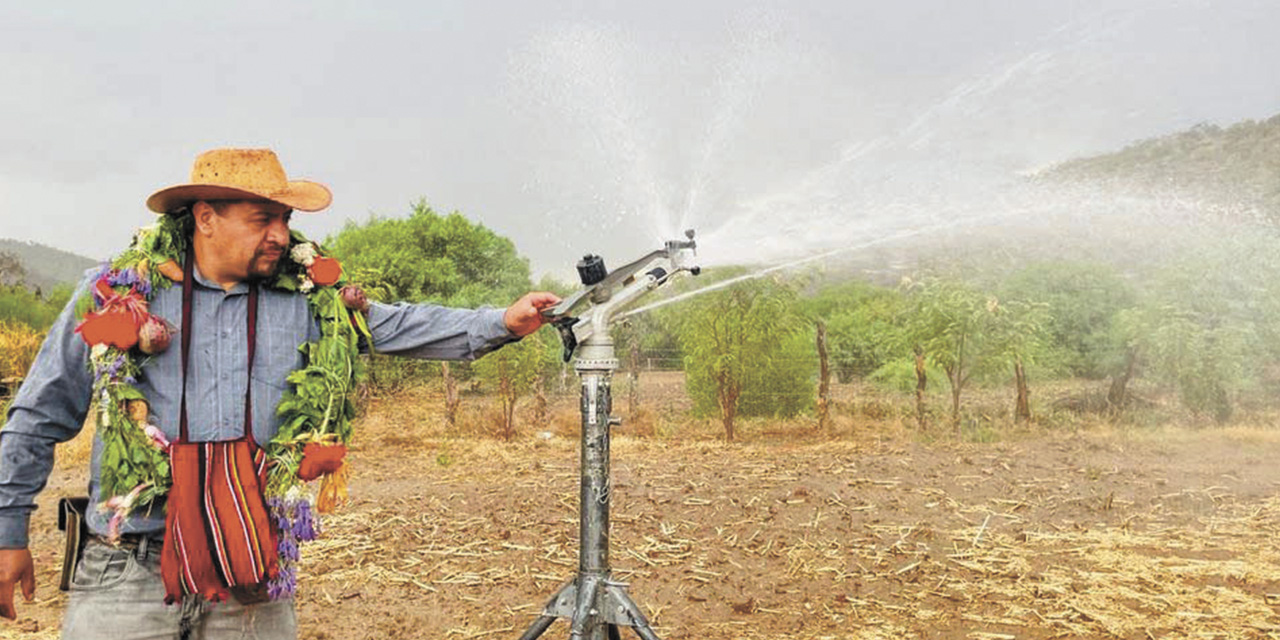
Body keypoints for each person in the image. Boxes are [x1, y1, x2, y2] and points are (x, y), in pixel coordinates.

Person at [0, 148, 559, 637]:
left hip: (253, 575)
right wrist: (7, 532)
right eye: (264, 218)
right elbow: (39, 412)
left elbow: (399, 325)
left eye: (285, 219)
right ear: (206, 218)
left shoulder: (312, 300)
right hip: (127, 570)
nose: (281, 235)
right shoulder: (119, 294)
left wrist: (501, 322)